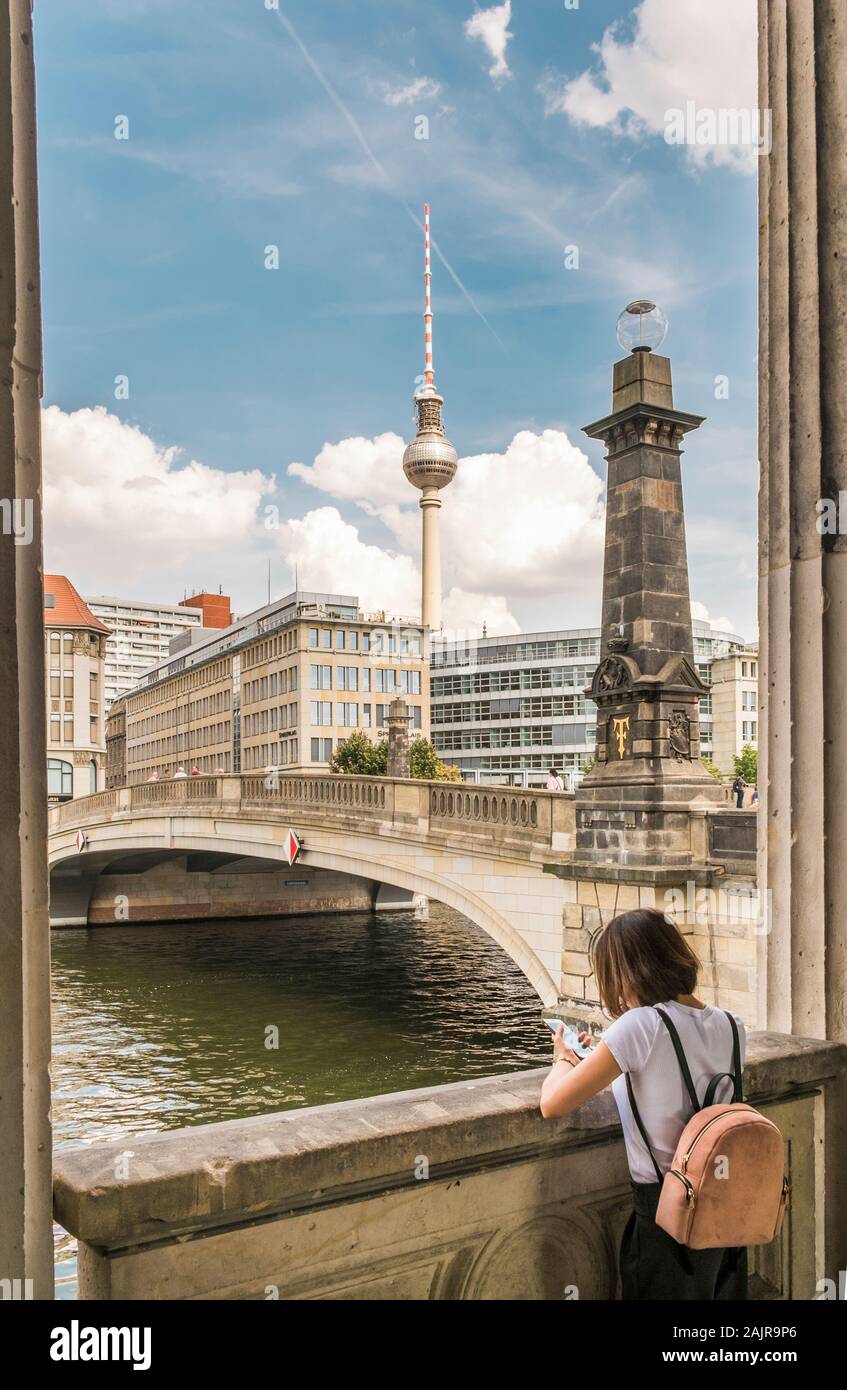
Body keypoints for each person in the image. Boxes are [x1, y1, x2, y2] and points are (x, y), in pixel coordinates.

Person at [540, 908, 747, 1301]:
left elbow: (553, 1104)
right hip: (725, 1203)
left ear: (627, 973)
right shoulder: (731, 1024)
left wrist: (564, 1059)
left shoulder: (639, 1026)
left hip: (664, 1208)